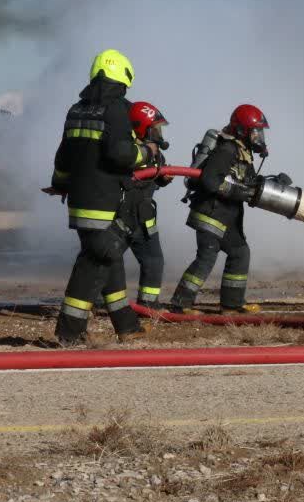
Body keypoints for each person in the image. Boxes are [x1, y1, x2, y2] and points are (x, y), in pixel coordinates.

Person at [49, 49, 158, 345]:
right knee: (96, 262)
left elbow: (64, 156)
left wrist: (59, 184)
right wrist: (147, 152)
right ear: (124, 77)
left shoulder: (76, 109)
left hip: (79, 202)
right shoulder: (117, 110)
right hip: (106, 203)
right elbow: (121, 153)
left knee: (109, 260)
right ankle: (69, 332)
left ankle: (127, 325)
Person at [169, 104, 269, 313]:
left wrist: (272, 182)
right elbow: (209, 180)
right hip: (210, 213)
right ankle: (181, 304)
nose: (259, 137)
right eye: (256, 131)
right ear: (242, 130)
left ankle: (232, 304)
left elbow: (247, 181)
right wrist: (235, 192)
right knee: (207, 257)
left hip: (226, 216)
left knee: (240, 252)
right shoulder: (227, 149)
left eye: (260, 132)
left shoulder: (243, 150)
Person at [125, 101, 172, 309]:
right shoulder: (127, 150)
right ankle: (99, 302)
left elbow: (155, 176)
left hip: (144, 217)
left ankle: (148, 304)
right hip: (122, 217)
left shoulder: (155, 153)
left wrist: (164, 178)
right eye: (155, 129)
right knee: (107, 261)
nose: (159, 134)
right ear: (141, 128)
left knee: (154, 261)